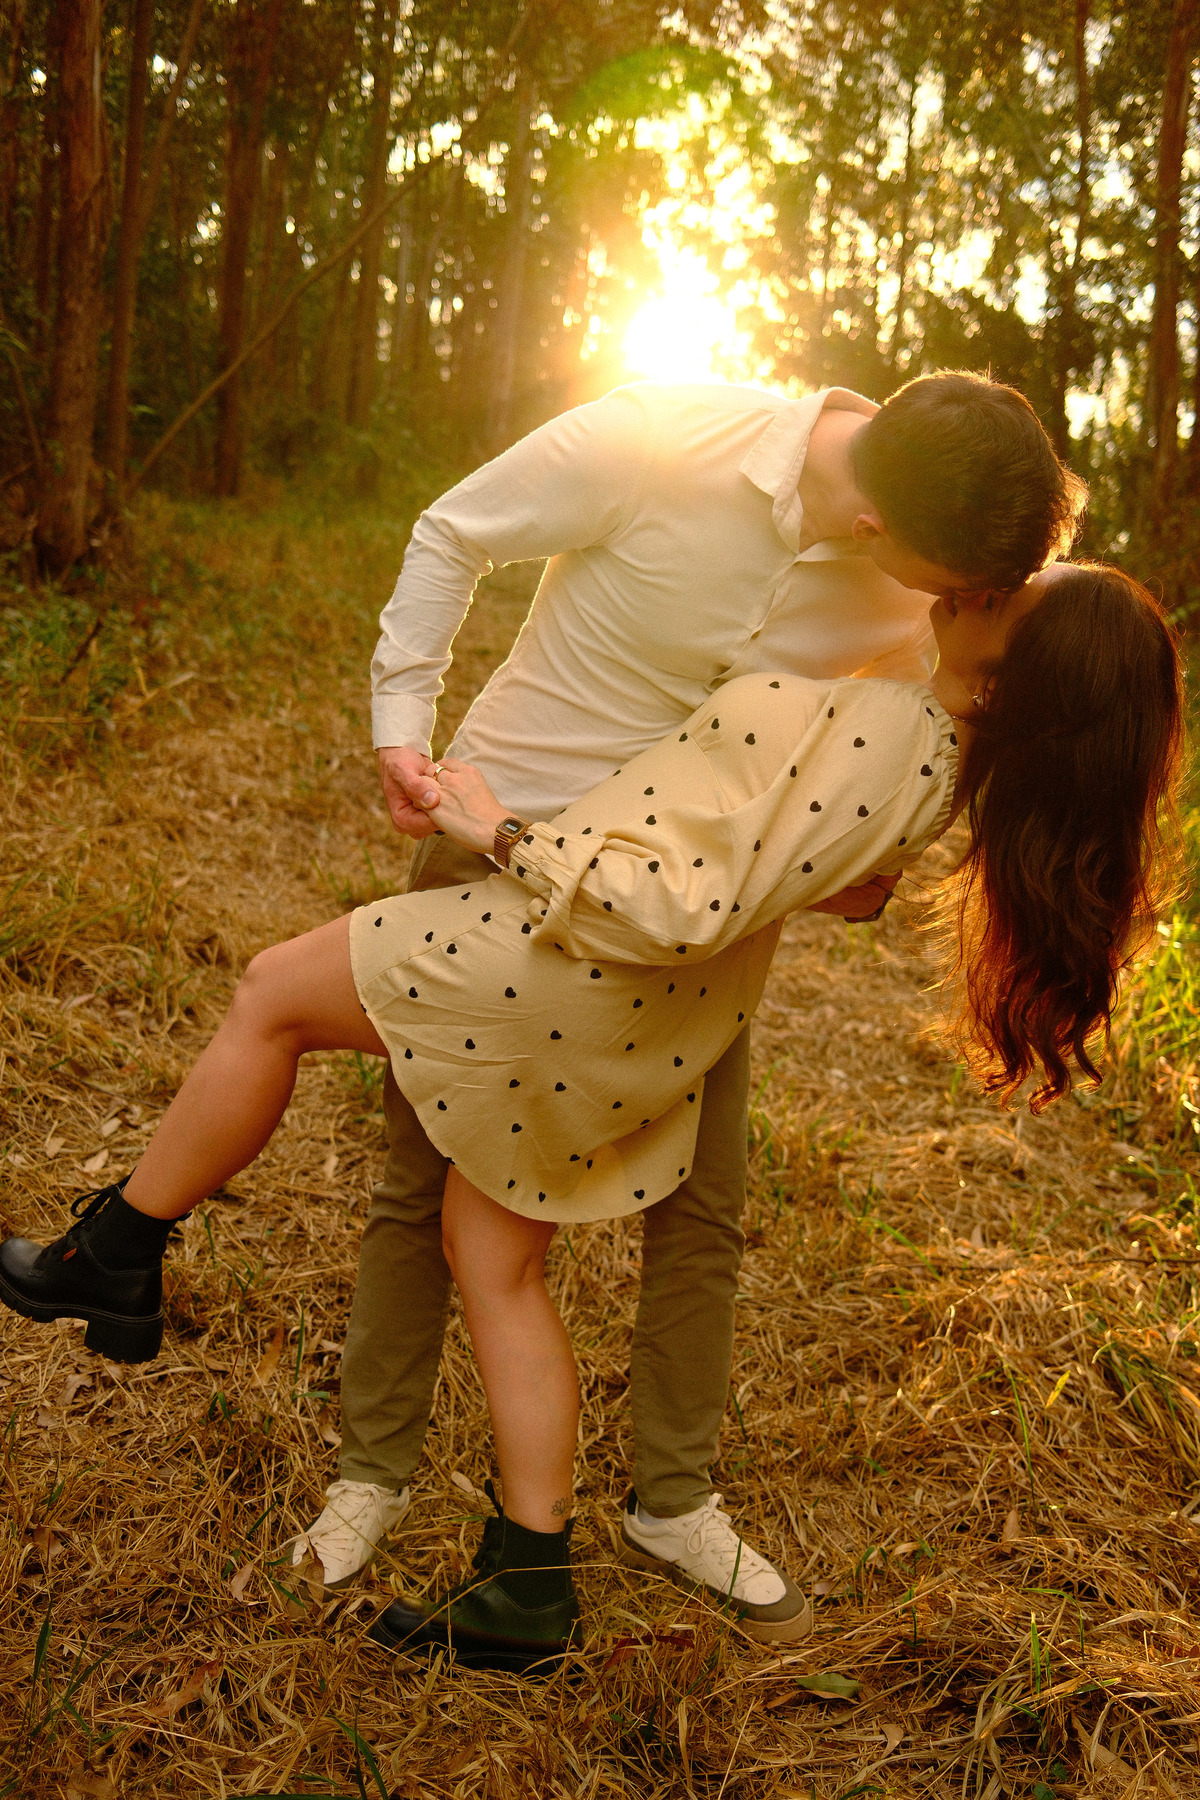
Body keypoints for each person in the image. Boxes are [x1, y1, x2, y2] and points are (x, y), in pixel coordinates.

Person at [0, 562, 1181, 1675]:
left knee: (270, 997)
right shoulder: (936, 759)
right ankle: (528, 1579)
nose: (978, 583)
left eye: (1009, 595)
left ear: (1006, 682)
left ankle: (115, 1254)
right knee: (494, 1261)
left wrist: (499, 831)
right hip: (633, 1010)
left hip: (561, 962)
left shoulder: (890, 736)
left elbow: (681, 906)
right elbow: (772, 862)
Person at [310, 369, 1086, 1637]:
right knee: (421, 1175)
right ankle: (371, 1475)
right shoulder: (661, 435)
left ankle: (672, 1501)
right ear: (881, 527)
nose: (957, 603)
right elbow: (454, 529)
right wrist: (404, 726)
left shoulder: (933, 564)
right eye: (956, 584)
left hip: (692, 923)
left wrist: (853, 865)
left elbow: (895, 744)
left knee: (702, 1203)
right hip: (500, 843)